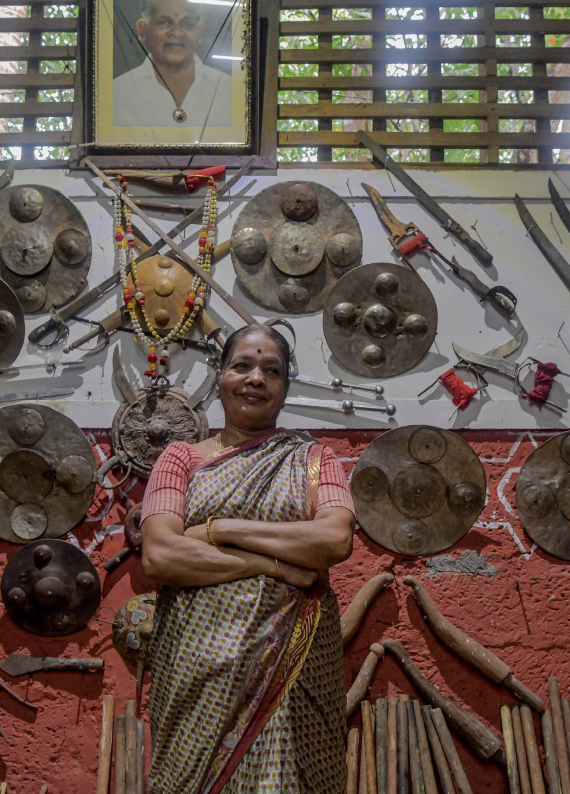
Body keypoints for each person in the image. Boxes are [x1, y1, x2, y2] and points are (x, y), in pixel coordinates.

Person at [140, 324, 356, 794]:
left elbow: (334, 541)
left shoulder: (316, 460)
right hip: (195, 677)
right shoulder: (180, 459)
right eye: (242, 365)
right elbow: (159, 555)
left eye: (271, 370)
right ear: (220, 378)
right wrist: (273, 564)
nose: (256, 378)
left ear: (284, 389)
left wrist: (221, 528)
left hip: (291, 676)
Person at [112, 0, 232, 128]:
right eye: (164, 22)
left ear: (199, 32)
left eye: (187, 23)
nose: (177, 33)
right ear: (142, 29)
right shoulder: (116, 93)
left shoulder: (229, 90)